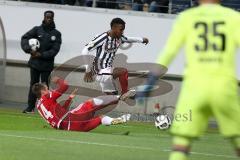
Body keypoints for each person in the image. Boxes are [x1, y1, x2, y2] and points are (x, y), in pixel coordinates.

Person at [137, 0, 240, 159]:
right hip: (224, 86)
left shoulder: (187, 18)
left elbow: (169, 52)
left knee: (181, 144)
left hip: (195, 87)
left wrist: (151, 81)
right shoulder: (234, 17)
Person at [33, 76, 134, 132]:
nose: (49, 90)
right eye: (47, 89)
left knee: (99, 118)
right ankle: (120, 97)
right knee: (90, 103)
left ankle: (116, 120)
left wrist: (69, 99)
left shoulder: (39, 107)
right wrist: (58, 80)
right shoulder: (46, 97)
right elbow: (65, 86)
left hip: (71, 128)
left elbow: (59, 114)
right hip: (73, 119)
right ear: (42, 92)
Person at [81, 17, 149, 96]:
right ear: (113, 28)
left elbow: (128, 39)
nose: (122, 32)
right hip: (99, 71)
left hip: (108, 71)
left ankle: (112, 97)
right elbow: (85, 50)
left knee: (113, 98)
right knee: (123, 71)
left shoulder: (119, 38)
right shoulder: (103, 38)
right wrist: (87, 69)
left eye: (123, 30)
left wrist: (142, 39)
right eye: (121, 30)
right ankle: (125, 93)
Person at [21, 10, 62, 113]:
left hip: (47, 65)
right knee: (33, 85)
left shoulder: (56, 34)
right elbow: (24, 38)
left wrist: (42, 54)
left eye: (50, 17)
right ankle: (30, 107)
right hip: (34, 63)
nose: (48, 19)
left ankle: (46, 108)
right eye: (47, 17)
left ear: (53, 18)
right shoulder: (36, 30)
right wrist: (29, 50)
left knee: (45, 87)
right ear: (44, 17)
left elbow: (55, 50)